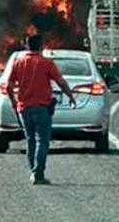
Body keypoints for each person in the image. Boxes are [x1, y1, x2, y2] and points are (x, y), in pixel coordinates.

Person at [5, 34, 76, 185]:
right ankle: (38, 174)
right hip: (42, 108)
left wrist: (14, 103)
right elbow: (61, 82)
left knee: (30, 140)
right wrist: (70, 96)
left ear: (26, 46)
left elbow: (8, 87)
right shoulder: (46, 63)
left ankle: (34, 172)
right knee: (42, 141)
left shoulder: (18, 63)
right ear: (41, 46)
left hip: (24, 108)